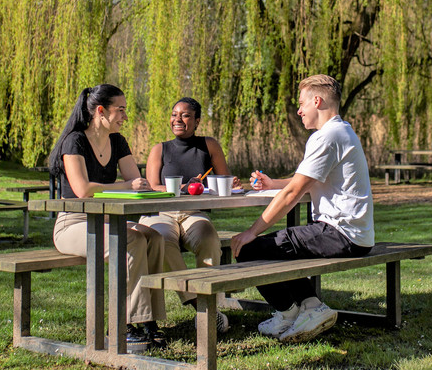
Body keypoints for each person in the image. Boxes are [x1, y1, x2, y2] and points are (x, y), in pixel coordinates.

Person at [230, 74, 374, 344]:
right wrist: (274, 183)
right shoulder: (340, 130)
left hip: (340, 234)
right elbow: (304, 181)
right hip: (353, 234)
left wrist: (251, 231)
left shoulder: (328, 136)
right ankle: (308, 308)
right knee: (282, 246)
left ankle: (289, 312)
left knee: (250, 248)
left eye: (302, 104)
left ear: (317, 101)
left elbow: (293, 193)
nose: (299, 110)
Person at [47, 84, 166, 350]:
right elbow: (83, 191)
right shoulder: (74, 141)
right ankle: (122, 325)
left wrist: (160, 188)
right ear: (100, 111)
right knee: (131, 241)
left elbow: (137, 181)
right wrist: (127, 187)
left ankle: (149, 320)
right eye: (120, 110)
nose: (125, 117)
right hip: (73, 224)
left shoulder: (117, 141)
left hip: (106, 221)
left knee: (153, 237)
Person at [140, 97, 235, 334]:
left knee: (209, 239)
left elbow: (224, 180)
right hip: (162, 213)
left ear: (197, 121)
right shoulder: (159, 149)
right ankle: (199, 305)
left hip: (194, 213)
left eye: (185, 115)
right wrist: (181, 189)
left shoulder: (209, 145)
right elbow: (152, 186)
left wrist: (232, 182)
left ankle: (208, 298)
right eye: (174, 114)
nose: (178, 119)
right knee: (160, 240)